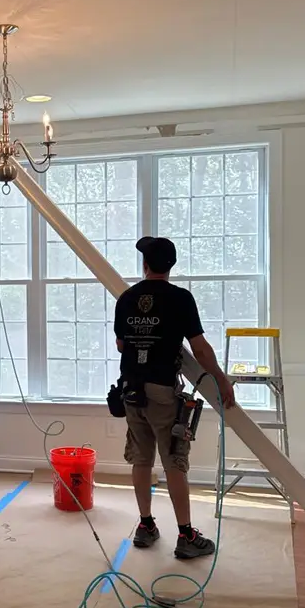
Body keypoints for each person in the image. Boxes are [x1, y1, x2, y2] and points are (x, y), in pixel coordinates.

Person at [113, 235, 236, 560]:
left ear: (145, 265)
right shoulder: (180, 298)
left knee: (141, 459)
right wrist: (221, 380)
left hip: (132, 389)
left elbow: (122, 345)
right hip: (162, 391)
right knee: (174, 461)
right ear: (171, 265)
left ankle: (146, 525)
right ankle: (185, 535)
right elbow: (199, 348)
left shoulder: (127, 298)